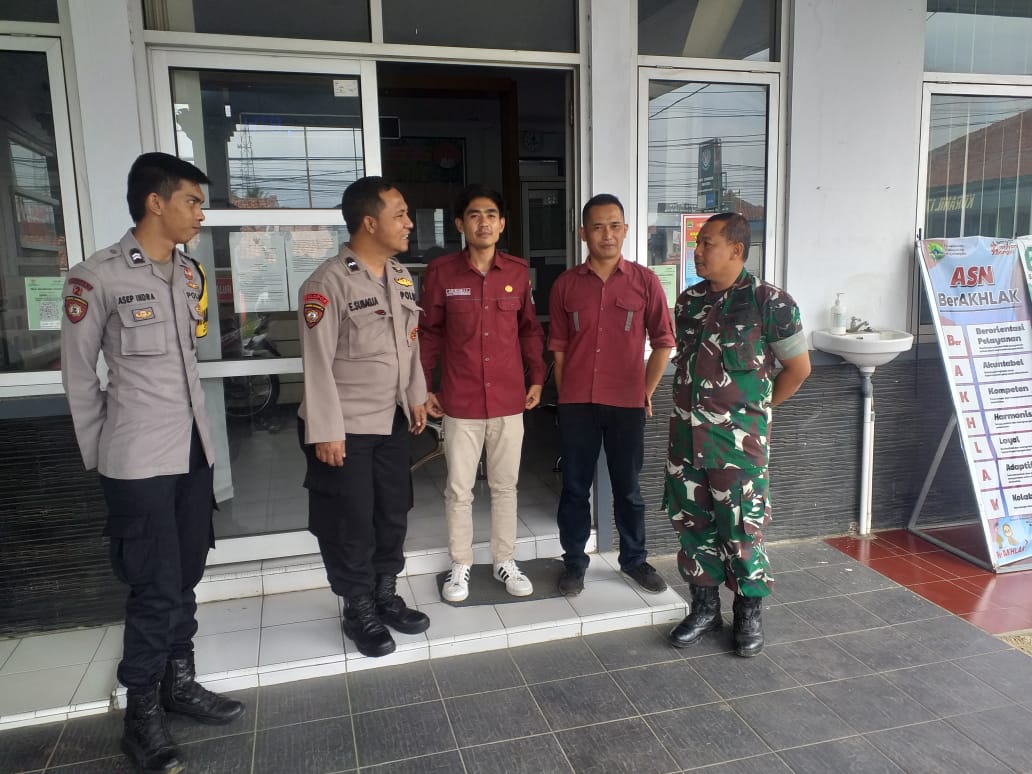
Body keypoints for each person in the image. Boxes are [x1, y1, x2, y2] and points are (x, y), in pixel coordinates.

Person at [61, 152, 243, 774]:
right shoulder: (97, 277)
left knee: (185, 573)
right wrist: (102, 454)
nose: (200, 213)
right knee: (154, 585)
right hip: (136, 460)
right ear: (155, 202)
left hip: (190, 451)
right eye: (192, 201)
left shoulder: (188, 274)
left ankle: (178, 683)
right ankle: (141, 713)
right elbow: (79, 377)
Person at [665, 212, 811, 657]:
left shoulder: (771, 303)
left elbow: (798, 369)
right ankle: (705, 609)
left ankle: (748, 613)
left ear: (736, 250)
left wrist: (755, 416)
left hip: (739, 447)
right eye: (698, 243)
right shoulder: (688, 302)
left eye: (707, 243)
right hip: (687, 443)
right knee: (693, 527)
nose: (698, 251)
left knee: (742, 529)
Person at [297, 175, 430, 659]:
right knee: (349, 522)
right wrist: (326, 431)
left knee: (392, 513)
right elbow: (315, 365)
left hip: (391, 420)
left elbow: (410, 345)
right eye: (400, 214)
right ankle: (358, 609)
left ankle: (384, 595)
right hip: (344, 428)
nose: (409, 223)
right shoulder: (326, 283)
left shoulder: (400, 275)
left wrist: (417, 396)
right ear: (369, 223)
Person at [420, 185, 547, 602]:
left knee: (505, 486)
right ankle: (460, 564)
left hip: (509, 399)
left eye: (491, 214)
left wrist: (537, 377)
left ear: (502, 223)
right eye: (474, 215)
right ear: (460, 224)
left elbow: (529, 329)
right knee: (459, 489)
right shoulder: (441, 273)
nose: (484, 222)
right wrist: (425, 385)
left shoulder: (517, 273)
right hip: (461, 400)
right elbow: (429, 333)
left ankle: (504, 560)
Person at [548, 194, 675, 596]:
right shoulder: (566, 285)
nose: (607, 234)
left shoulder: (645, 282)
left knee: (628, 488)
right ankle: (574, 562)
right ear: (583, 233)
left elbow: (664, 343)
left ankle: (634, 560)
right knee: (574, 487)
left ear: (626, 230)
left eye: (615, 225)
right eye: (598, 226)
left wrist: (645, 390)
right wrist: (567, 397)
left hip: (626, 404)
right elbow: (559, 349)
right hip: (577, 404)